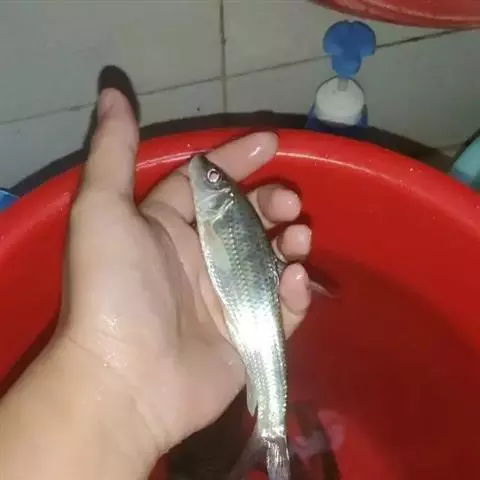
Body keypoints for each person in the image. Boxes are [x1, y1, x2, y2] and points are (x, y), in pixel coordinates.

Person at [0, 88, 313, 479]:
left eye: (211, 178)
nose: (201, 170)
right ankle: (271, 432)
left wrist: (102, 376)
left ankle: (270, 430)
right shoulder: (213, 215)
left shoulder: (219, 212)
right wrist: (107, 374)